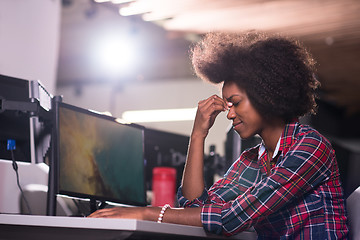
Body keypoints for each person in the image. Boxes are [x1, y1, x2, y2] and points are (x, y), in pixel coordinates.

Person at [89, 31, 349, 239]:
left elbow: (231, 218)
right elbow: (196, 211)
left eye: (235, 102)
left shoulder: (310, 147)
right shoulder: (251, 161)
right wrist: (198, 135)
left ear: (267, 96)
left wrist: (147, 213)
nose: (230, 113)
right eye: (227, 105)